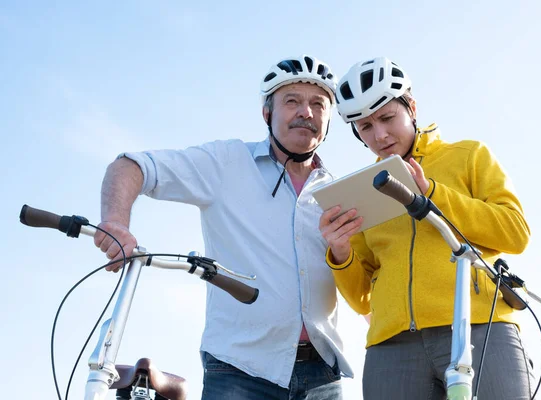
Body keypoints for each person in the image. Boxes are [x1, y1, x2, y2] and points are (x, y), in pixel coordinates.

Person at [93, 54, 352, 400]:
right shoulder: (227, 162)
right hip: (240, 371)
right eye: (292, 101)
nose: (306, 112)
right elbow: (132, 166)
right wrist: (115, 223)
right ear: (267, 113)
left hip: (323, 377)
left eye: (318, 104)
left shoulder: (339, 192)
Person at [319, 57, 534, 399]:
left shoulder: (468, 155)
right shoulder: (362, 189)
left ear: (412, 107)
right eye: (365, 127)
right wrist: (341, 253)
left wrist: (433, 192)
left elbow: (514, 232)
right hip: (392, 347)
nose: (380, 135)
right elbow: (361, 299)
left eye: (388, 118)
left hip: (479, 328)